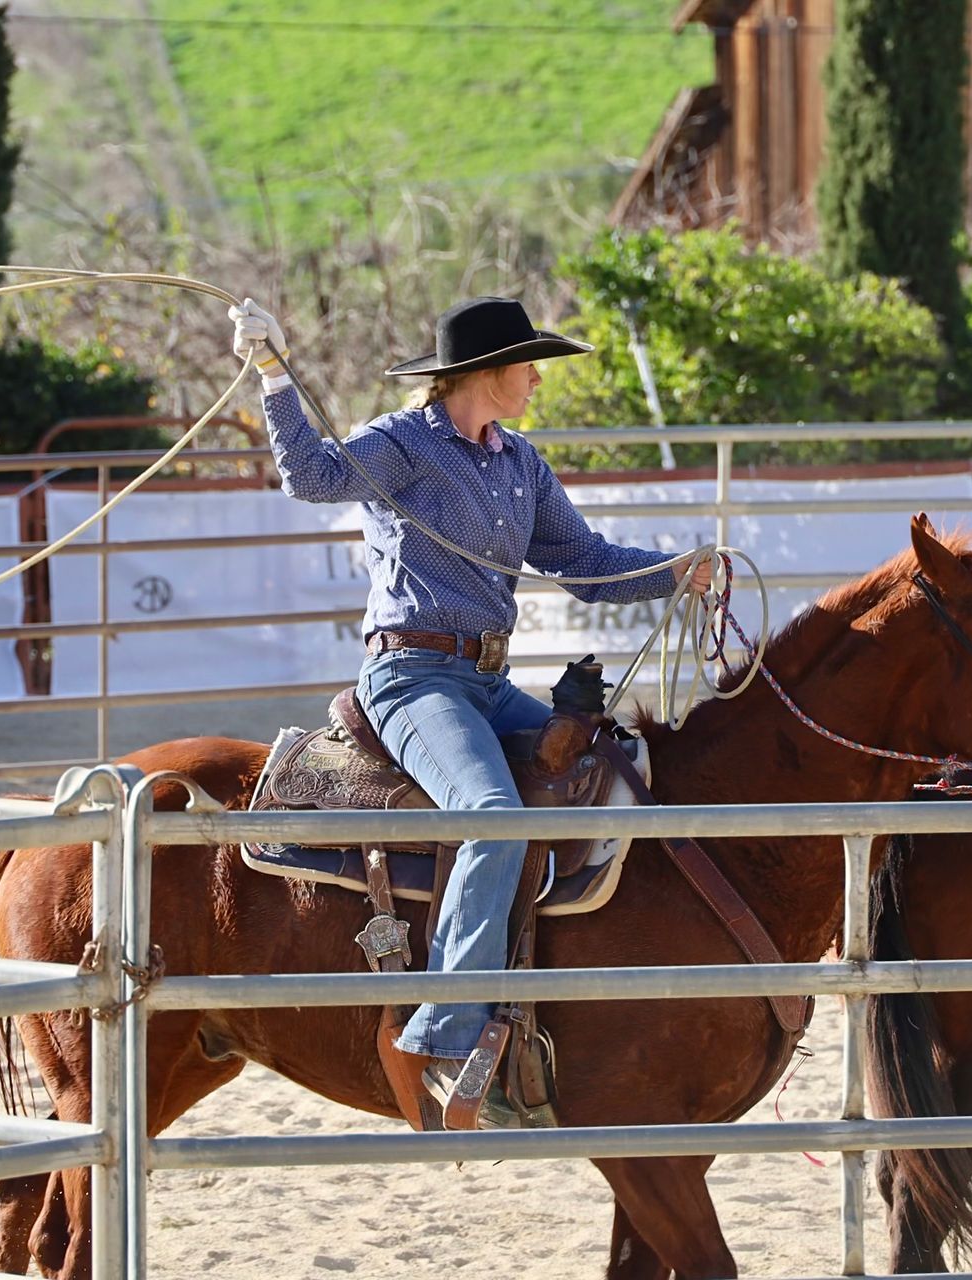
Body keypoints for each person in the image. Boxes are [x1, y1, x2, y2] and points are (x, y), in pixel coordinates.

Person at [227, 294, 710, 1125]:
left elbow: (583, 562)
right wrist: (273, 373)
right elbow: (312, 476)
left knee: (620, 766)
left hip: (485, 681)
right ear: (484, 373)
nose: (534, 379)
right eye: (527, 365)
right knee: (491, 815)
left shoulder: (519, 461)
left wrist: (675, 572)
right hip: (412, 677)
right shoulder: (403, 442)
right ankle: (443, 1029)